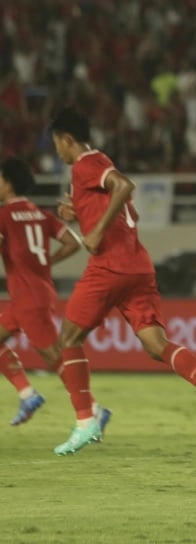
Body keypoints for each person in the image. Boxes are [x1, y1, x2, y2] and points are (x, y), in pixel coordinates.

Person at [48, 106, 196, 456]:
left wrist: (96, 231)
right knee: (155, 345)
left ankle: (86, 422)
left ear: (67, 140)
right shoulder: (99, 163)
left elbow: (125, 186)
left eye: (56, 144)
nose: (57, 151)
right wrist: (81, 213)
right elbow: (129, 212)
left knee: (68, 340)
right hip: (138, 265)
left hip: (109, 266)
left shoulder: (85, 165)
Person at [0, 158, 113, 429]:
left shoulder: (3, 216)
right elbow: (73, 242)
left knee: (55, 356)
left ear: (8, 183)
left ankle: (94, 410)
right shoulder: (41, 214)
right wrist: (47, 262)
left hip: (27, 296)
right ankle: (27, 394)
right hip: (38, 291)